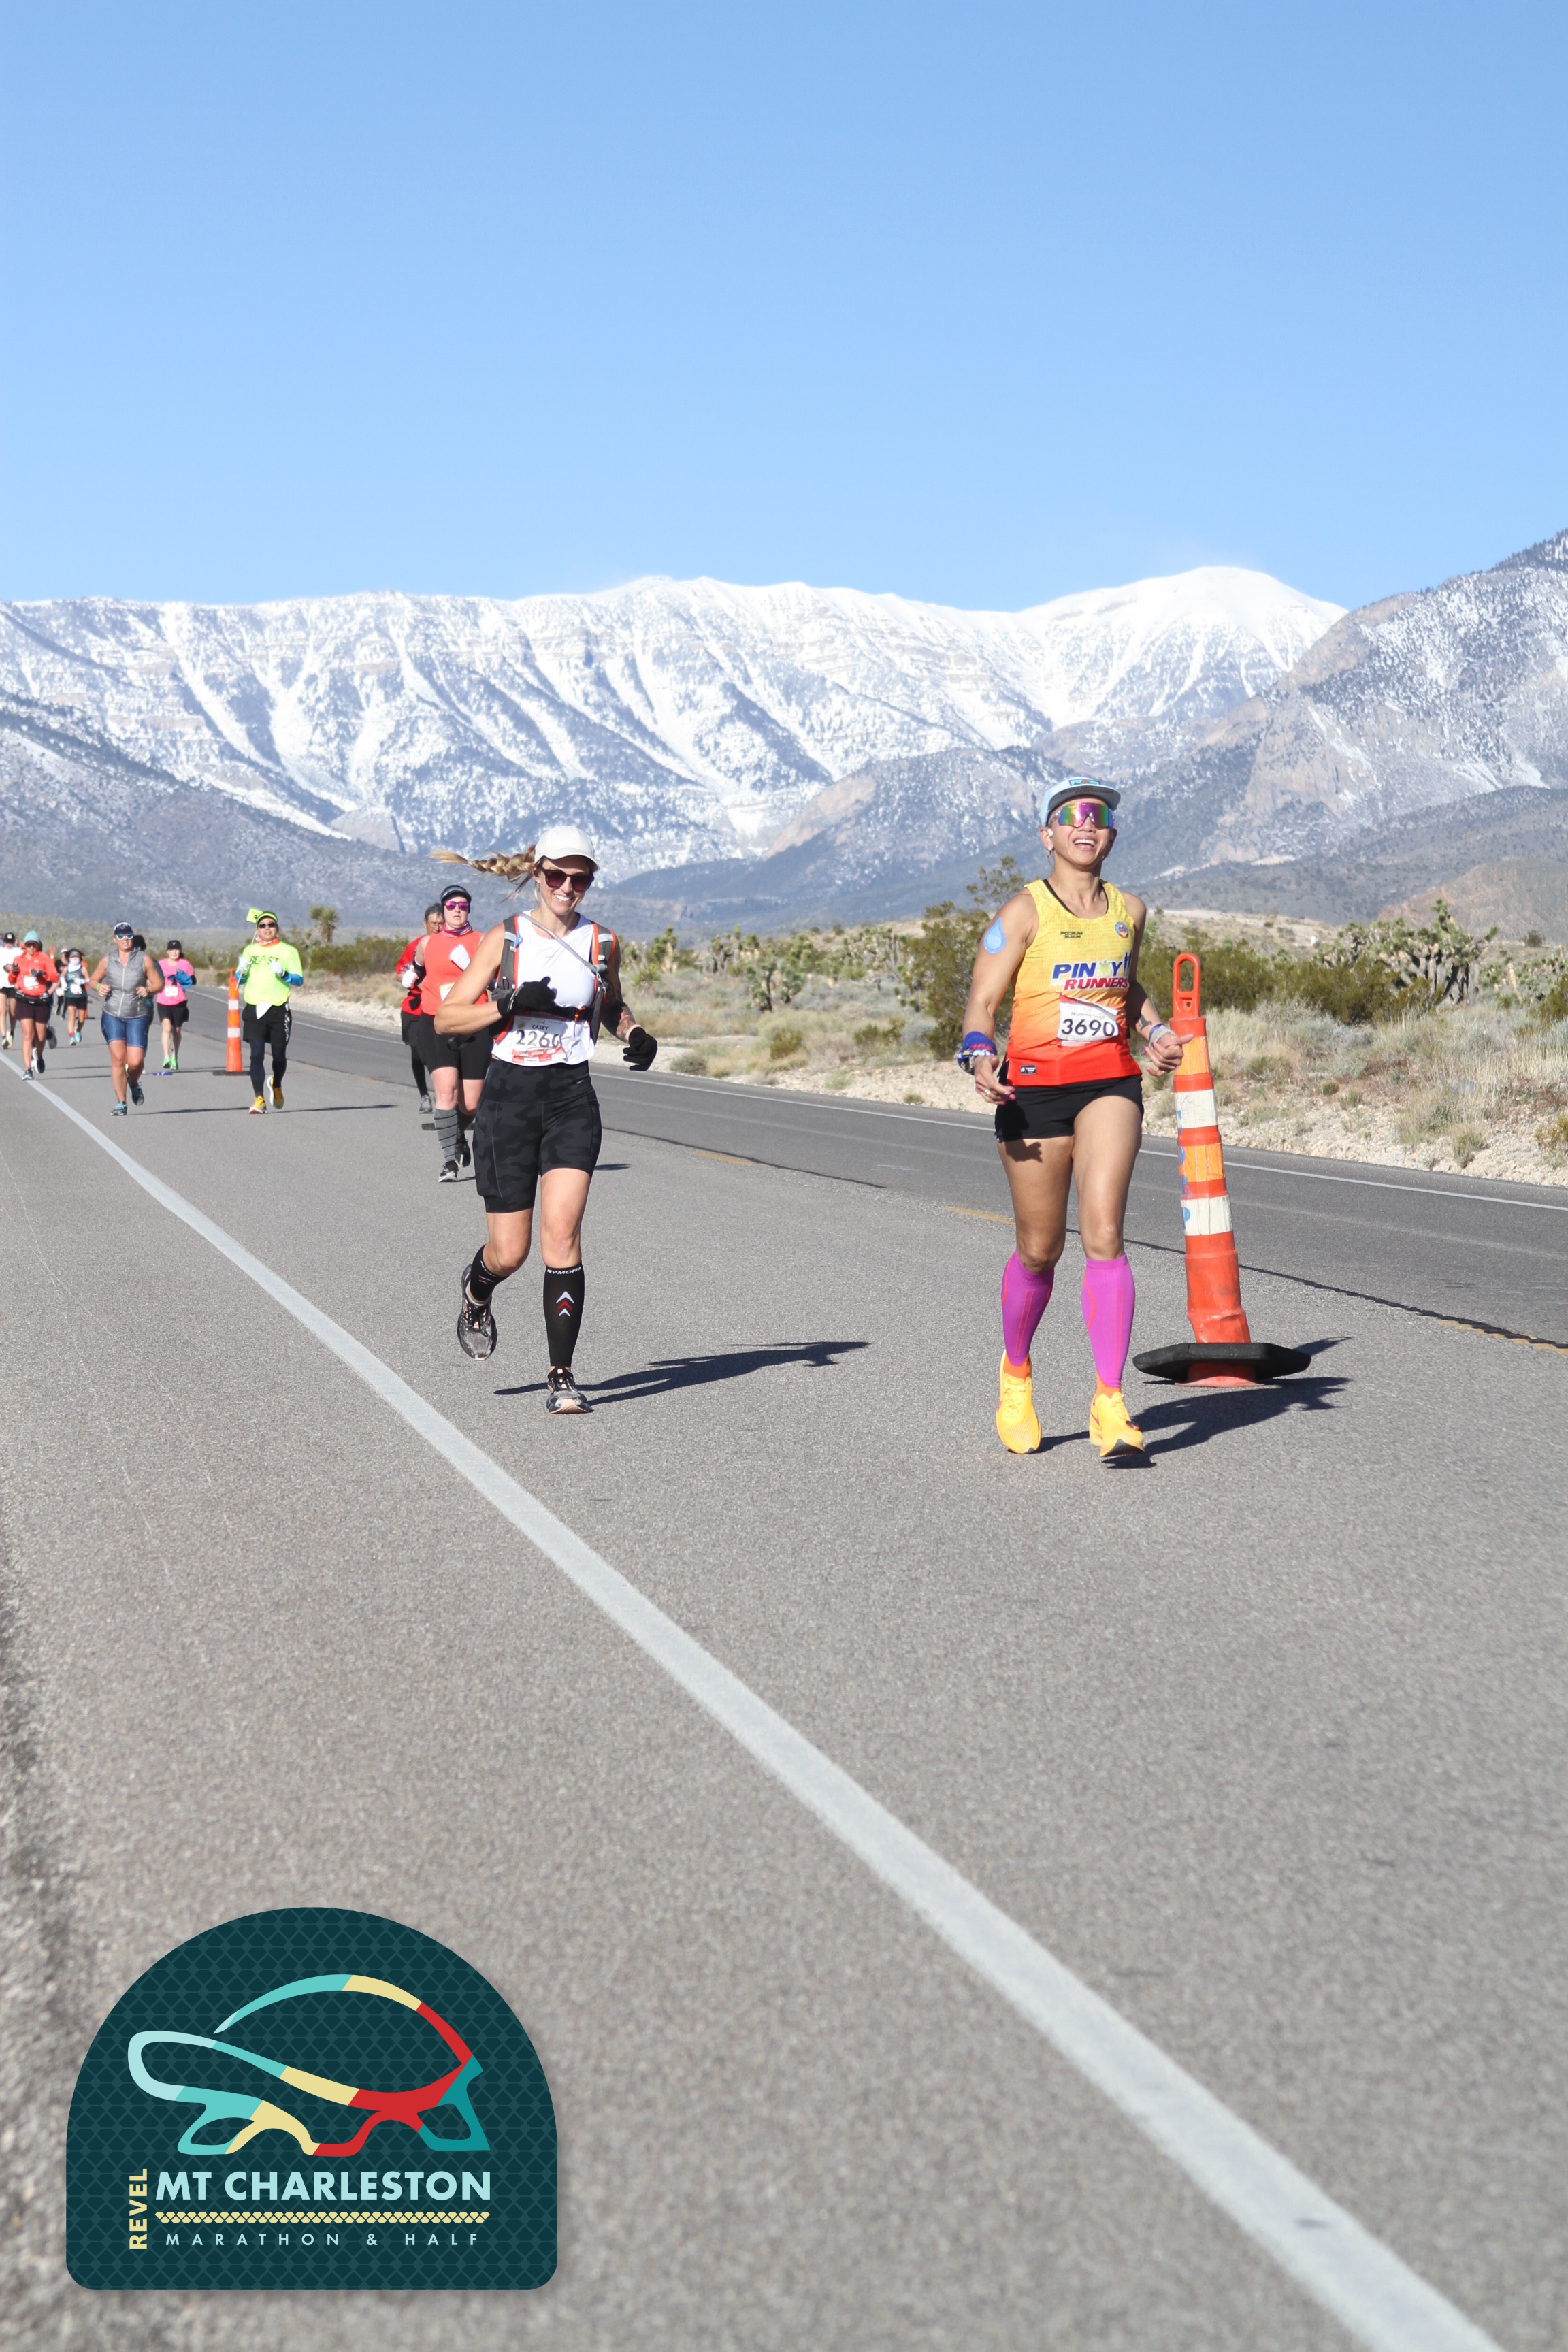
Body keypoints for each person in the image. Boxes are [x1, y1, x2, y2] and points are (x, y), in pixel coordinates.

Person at [957, 780, 1184, 1462]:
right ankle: (1016, 1374)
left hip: (1110, 1082)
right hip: (1033, 1094)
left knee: (1105, 1234)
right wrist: (978, 1054)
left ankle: (1109, 1400)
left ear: (1112, 835)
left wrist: (1154, 1030)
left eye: (1100, 816)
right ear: (1047, 835)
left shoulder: (1129, 911)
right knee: (1040, 1249)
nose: (1087, 824)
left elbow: (1126, 986)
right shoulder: (1024, 911)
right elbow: (982, 1001)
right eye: (1072, 816)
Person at [436, 825, 658, 1414]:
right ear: (537, 874)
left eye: (579, 878)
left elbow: (611, 1002)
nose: (567, 886)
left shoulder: (602, 942)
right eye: (556, 874)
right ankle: (477, 1288)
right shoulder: (506, 937)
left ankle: (561, 1376)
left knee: (561, 1237)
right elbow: (447, 1020)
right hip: (508, 1100)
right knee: (510, 1252)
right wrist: (505, 1003)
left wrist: (634, 1032)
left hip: (570, 1097)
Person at [414, 885, 495, 1180]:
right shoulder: (427, 944)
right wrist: (411, 978)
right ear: (443, 910)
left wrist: (471, 967)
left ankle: (457, 1134)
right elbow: (418, 970)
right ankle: (449, 1161)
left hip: (474, 1023)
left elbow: (496, 981)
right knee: (446, 1090)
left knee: (470, 1103)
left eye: (463, 905)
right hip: (436, 1021)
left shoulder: (483, 941)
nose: (457, 910)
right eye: (451, 906)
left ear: (469, 909)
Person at [234, 910, 304, 1112]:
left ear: (277, 928)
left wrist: (284, 974)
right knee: (256, 1055)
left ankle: (277, 1084)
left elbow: (299, 980)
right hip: (255, 1009)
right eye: (262, 925)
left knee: (279, 1057)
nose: (267, 928)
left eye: (270, 925)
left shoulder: (288, 951)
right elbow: (240, 980)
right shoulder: (249, 951)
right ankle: (259, 1099)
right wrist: (242, 971)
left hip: (278, 1010)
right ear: (257, 930)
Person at [92, 923, 163, 1115]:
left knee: (135, 1062)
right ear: (114, 939)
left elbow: (159, 983)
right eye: (121, 936)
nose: (125, 939)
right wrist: (99, 987)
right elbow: (93, 980)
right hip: (112, 1015)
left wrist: (148, 989)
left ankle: (133, 1083)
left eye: (129, 936)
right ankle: (121, 1102)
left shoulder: (144, 960)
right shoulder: (108, 960)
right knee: (118, 1059)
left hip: (137, 1016)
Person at [395, 904, 443, 1115]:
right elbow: (399, 973)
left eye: (441, 924)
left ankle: (443, 1093)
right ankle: (424, 1096)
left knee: (439, 1054)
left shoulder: (451, 947)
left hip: (442, 1009)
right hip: (415, 1009)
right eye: (433, 924)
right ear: (425, 924)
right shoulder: (415, 946)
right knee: (418, 1053)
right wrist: (407, 979)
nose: (437, 928)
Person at [13, 932, 59, 1079]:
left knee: (41, 1036)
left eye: (34, 944)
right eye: (29, 944)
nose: (32, 947)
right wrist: (13, 975)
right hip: (24, 1001)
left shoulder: (44, 958)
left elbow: (55, 978)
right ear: (25, 946)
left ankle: (38, 1056)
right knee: (28, 1034)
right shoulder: (19, 959)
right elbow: (13, 979)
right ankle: (28, 1069)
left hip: (41, 1002)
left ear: (38, 945)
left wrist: (42, 974)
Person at [153, 938, 195, 1071]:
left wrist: (182, 977)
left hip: (179, 1001)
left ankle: (174, 1056)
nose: (174, 952)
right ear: (168, 951)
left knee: (176, 1031)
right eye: (172, 950)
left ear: (180, 951)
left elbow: (193, 981)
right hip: (163, 1001)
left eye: (177, 950)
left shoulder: (185, 964)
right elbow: (153, 978)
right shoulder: (161, 964)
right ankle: (166, 1057)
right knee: (167, 1029)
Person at [59, 947, 91, 1042]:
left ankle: (78, 1030)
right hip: (70, 996)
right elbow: (62, 977)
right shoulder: (67, 969)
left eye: (77, 957)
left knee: (81, 1019)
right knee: (72, 1017)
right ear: (69, 958)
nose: (75, 959)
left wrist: (82, 981)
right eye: (73, 957)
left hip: (82, 997)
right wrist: (64, 984)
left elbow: (89, 980)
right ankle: (71, 1037)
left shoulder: (83, 969)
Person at [0, 932, 18, 1049]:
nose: (9, 944)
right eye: (7, 942)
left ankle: (11, 1033)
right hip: (2, 985)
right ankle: (3, 1037)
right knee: (3, 1012)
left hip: (13, 985)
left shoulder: (18, 952)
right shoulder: (1, 952)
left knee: (13, 1013)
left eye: (11, 942)